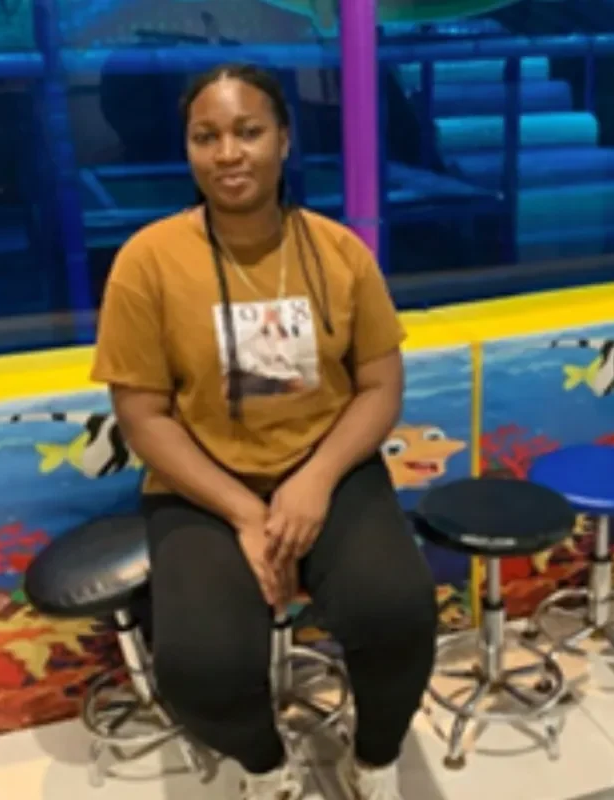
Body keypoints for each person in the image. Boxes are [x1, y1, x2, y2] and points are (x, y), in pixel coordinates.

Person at [91, 63, 438, 800]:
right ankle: (264, 767)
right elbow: (143, 417)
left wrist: (312, 482)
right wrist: (249, 515)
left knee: (398, 614)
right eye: (205, 136)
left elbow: (380, 387)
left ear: (283, 138)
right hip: (203, 484)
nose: (228, 153)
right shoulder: (147, 264)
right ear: (187, 150)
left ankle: (373, 758)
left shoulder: (341, 251)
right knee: (201, 669)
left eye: (248, 131)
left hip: (331, 469)